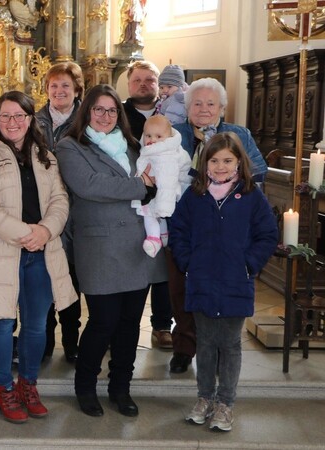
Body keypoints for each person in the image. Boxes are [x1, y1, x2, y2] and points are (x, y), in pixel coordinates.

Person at [56, 84, 166, 418]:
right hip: (100, 246)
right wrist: (140, 187)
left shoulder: (134, 145)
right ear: (86, 112)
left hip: (138, 245)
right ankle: (85, 386)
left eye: (112, 110)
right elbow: (89, 186)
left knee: (131, 322)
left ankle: (121, 387)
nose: (106, 116)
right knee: (103, 321)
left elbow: (159, 174)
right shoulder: (70, 146)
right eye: (98, 110)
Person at [0, 91, 77, 423]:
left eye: (19, 116)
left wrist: (45, 231)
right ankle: (4, 388)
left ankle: (28, 384)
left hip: (42, 253)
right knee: (1, 322)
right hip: (2, 252)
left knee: (35, 325)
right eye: (5, 116)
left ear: (30, 120)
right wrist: (26, 235)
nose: (12, 122)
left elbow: (60, 200)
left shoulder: (46, 157)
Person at [169, 132, 277, 432]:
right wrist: (188, 262)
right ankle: (205, 398)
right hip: (201, 280)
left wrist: (248, 264)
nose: (220, 167)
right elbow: (178, 231)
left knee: (229, 345)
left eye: (227, 161)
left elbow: (267, 235)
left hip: (235, 282)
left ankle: (225, 404)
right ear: (204, 164)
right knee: (204, 343)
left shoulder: (252, 196)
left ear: (239, 163)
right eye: (214, 161)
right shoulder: (195, 196)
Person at [168, 77, 269, 374]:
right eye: (197, 103)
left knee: (224, 296)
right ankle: (185, 348)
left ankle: (222, 354)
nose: (203, 109)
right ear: (187, 108)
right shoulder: (174, 135)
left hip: (230, 231)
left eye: (211, 103)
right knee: (181, 292)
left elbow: (257, 178)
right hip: (187, 229)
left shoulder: (239, 135)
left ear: (222, 108)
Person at [34, 61, 85, 363]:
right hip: (42, 209)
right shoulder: (35, 120)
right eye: (53, 85)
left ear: (77, 88)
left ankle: (71, 339)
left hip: (77, 208)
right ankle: (45, 341)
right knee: (44, 277)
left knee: (70, 277)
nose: (59, 90)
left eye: (65, 85)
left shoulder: (86, 120)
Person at [122, 59, 174, 351]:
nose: (143, 84)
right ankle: (125, 323)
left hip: (166, 196)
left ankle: (162, 324)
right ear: (129, 85)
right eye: (137, 80)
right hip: (134, 196)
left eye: (149, 80)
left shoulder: (170, 111)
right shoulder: (118, 113)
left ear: (157, 83)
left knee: (163, 266)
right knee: (136, 262)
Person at [132, 115, 192, 258]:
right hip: (155, 189)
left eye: (158, 136)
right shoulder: (152, 150)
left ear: (169, 136)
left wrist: (164, 207)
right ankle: (163, 234)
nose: (152, 140)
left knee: (149, 213)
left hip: (165, 193)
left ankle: (154, 239)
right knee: (153, 212)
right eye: (148, 135)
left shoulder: (166, 155)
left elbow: (167, 181)